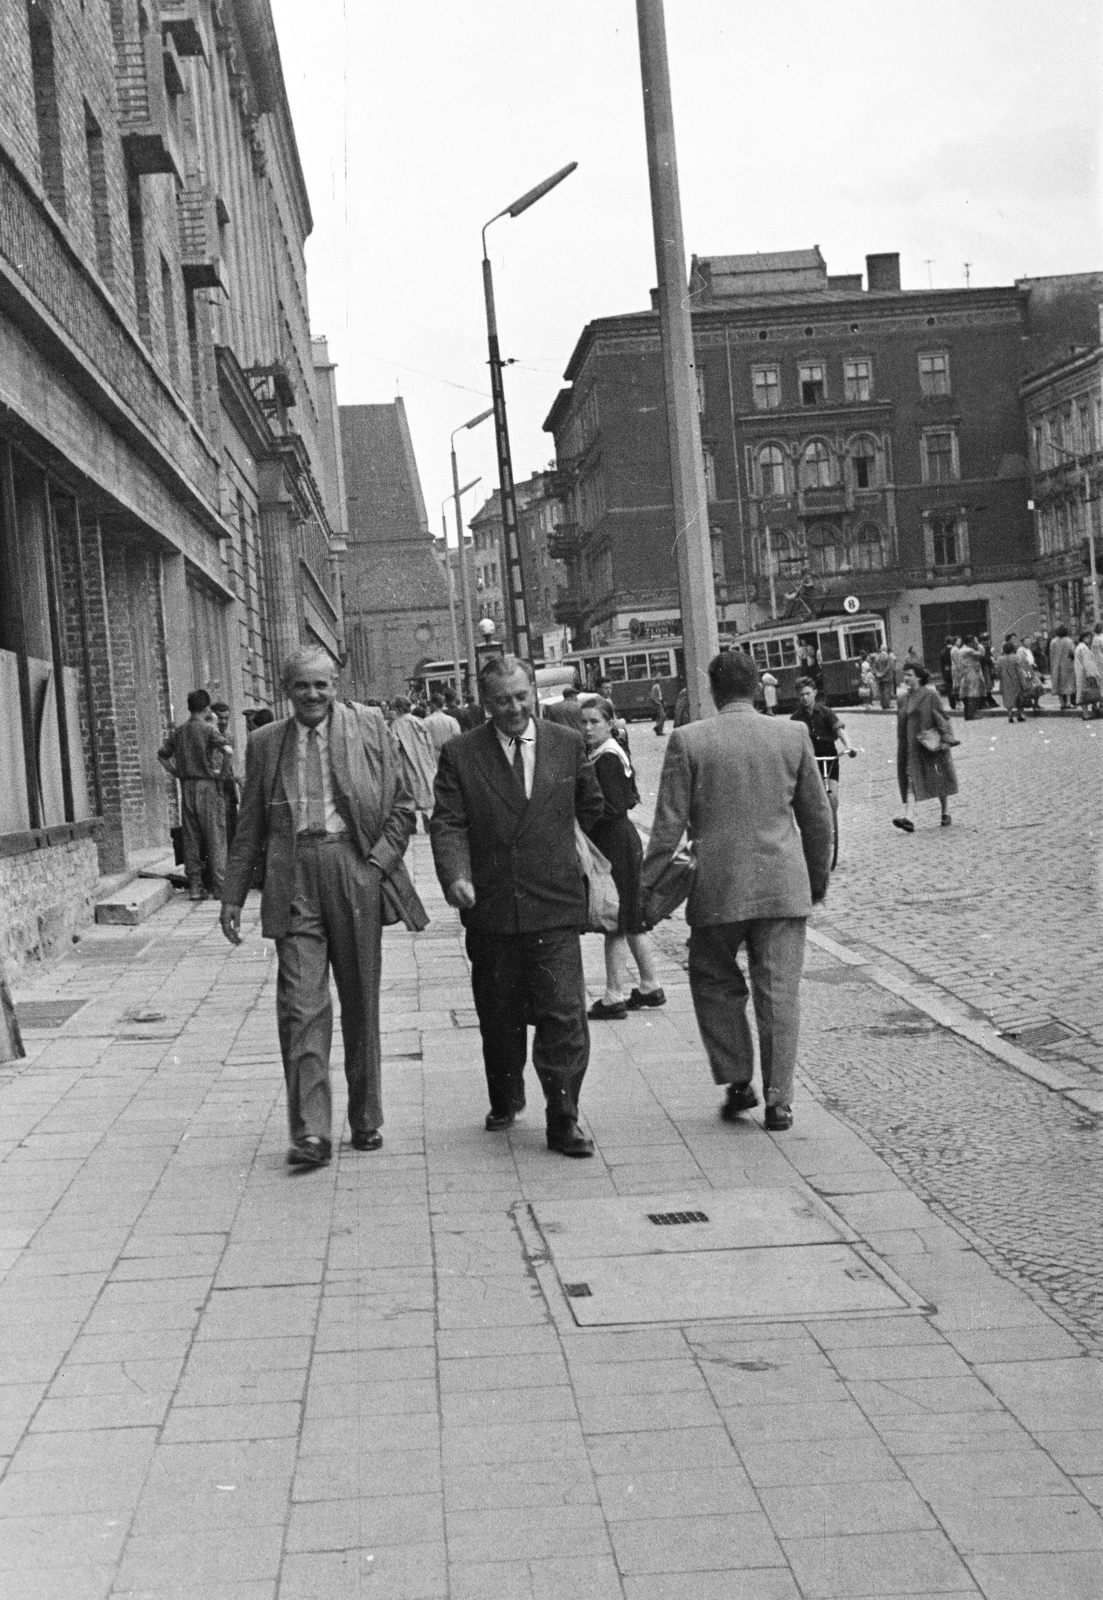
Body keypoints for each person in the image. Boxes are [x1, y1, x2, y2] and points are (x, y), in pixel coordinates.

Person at [220, 649, 425, 1169]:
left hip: (352, 868)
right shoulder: (266, 744)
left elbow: (403, 806)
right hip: (292, 879)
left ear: (335, 685)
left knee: (360, 1000)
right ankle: (310, 1132)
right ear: (285, 690)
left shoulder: (371, 727)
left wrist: (376, 864)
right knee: (300, 1005)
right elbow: (249, 828)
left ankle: (365, 1117)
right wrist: (232, 896)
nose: (312, 695)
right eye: (301, 687)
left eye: (321, 685)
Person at [640, 650, 834, 1133]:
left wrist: (649, 890)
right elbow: (817, 818)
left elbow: (667, 827)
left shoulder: (689, 740)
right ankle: (779, 1102)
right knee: (779, 994)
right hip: (782, 886)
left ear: (712, 690)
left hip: (717, 889)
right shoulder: (792, 734)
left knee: (713, 981)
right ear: (756, 688)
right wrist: (815, 881)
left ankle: (737, 1077)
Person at [429, 655, 604, 1156]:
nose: (514, 708)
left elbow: (590, 808)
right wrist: (456, 875)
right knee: (499, 1012)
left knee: (564, 1011)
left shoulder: (568, 746)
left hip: (553, 901)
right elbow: (448, 823)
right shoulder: (461, 754)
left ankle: (564, 1115)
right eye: (502, 700)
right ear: (486, 703)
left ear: (534, 692)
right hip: (493, 904)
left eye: (522, 696)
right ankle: (506, 1094)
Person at [579, 699, 665, 1021]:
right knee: (627, 917)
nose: (587, 728)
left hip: (615, 844)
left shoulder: (607, 759)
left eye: (594, 722)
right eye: (583, 722)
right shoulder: (608, 752)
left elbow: (612, 807)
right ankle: (649, 985)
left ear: (609, 723)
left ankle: (615, 995)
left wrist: (581, 818)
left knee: (617, 920)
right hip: (618, 842)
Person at [158, 689, 232, 901]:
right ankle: (220, 887)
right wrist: (222, 774)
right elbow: (228, 751)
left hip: (187, 786)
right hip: (208, 786)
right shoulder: (208, 729)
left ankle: (196, 887)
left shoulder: (179, 732)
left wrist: (176, 772)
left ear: (189, 707)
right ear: (206, 708)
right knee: (215, 836)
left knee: (191, 837)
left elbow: (162, 756)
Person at [790, 678, 856, 867]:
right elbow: (793, 742)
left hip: (829, 758)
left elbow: (840, 730)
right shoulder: (796, 719)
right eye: (801, 695)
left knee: (832, 797)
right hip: (810, 761)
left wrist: (849, 747)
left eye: (807, 694)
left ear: (815, 693)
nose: (804, 698)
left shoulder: (825, 713)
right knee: (812, 799)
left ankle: (831, 826)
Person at [893, 663, 958, 833]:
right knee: (911, 779)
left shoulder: (931, 695)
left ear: (919, 677)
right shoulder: (903, 699)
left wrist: (946, 738)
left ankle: (945, 812)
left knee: (939, 777)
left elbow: (942, 718)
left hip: (930, 745)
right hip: (912, 748)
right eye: (904, 675)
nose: (906, 678)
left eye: (909, 675)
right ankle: (908, 819)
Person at [390, 694, 438, 830]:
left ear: (399, 709)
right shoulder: (419, 721)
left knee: (409, 792)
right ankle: (425, 815)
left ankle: (412, 824)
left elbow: (395, 747)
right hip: (424, 760)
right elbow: (429, 743)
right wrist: (431, 760)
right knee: (425, 788)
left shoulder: (396, 725)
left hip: (407, 762)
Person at [209, 701, 240, 848]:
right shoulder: (208, 736)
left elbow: (230, 762)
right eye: (221, 718)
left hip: (228, 785)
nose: (224, 722)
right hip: (214, 786)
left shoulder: (229, 736)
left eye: (226, 718)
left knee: (232, 824)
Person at [1074, 630, 1102, 720]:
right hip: (1085, 674)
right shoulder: (1084, 648)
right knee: (1086, 693)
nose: (1089, 639)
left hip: (1081, 673)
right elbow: (1087, 663)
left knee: (1084, 693)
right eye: (1087, 637)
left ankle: (1087, 712)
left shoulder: (1080, 647)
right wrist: (1092, 674)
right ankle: (1086, 714)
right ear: (1083, 638)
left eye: (1090, 637)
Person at [996, 642, 1026, 724]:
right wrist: (1023, 681)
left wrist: (1000, 678)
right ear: (1013, 649)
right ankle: (1019, 715)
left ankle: (1010, 714)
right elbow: (1019, 671)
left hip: (1005, 680)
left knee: (1007, 697)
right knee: (1018, 698)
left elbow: (997, 671)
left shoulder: (1000, 659)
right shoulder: (1016, 658)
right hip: (1016, 680)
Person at [958, 638, 986, 720]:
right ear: (970, 642)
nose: (974, 644)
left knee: (967, 693)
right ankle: (972, 714)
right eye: (973, 642)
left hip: (965, 672)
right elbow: (982, 653)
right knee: (973, 693)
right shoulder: (969, 650)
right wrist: (978, 644)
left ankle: (968, 714)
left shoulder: (962, 649)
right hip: (971, 672)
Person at [1049, 625, 1076, 711]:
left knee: (1058, 683)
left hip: (1056, 665)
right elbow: (1073, 652)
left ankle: (1062, 703)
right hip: (1067, 665)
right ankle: (1068, 702)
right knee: (1068, 683)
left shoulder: (1053, 641)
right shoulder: (1069, 641)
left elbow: (1050, 653)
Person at [871, 644, 897, 711]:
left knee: (881, 691)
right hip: (887, 677)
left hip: (879, 678)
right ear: (885, 649)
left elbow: (874, 667)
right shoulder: (887, 657)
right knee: (887, 691)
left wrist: (877, 673)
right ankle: (887, 704)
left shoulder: (877, 657)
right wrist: (883, 673)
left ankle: (882, 704)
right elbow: (889, 666)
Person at [939, 638, 956, 708]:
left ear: (945, 642)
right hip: (955, 671)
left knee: (949, 689)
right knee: (956, 687)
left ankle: (952, 705)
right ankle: (958, 702)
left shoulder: (943, 652)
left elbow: (941, 664)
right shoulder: (955, 650)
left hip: (947, 672)